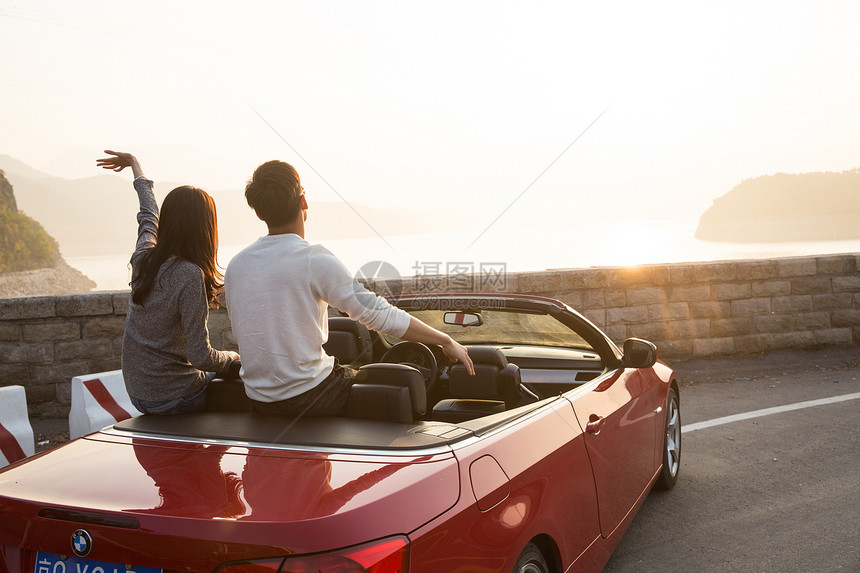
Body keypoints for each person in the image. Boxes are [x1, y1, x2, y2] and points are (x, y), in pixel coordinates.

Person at [225, 159, 474, 417]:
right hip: (313, 395)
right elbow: (378, 314)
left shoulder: (236, 265)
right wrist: (445, 340)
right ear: (303, 202)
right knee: (405, 384)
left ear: (259, 213)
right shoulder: (313, 259)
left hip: (258, 400)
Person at [97, 150, 239, 414]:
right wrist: (231, 357)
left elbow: (148, 214)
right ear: (205, 228)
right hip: (173, 397)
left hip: (138, 395)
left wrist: (136, 167)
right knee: (239, 385)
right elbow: (201, 357)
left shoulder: (143, 257)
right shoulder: (189, 274)